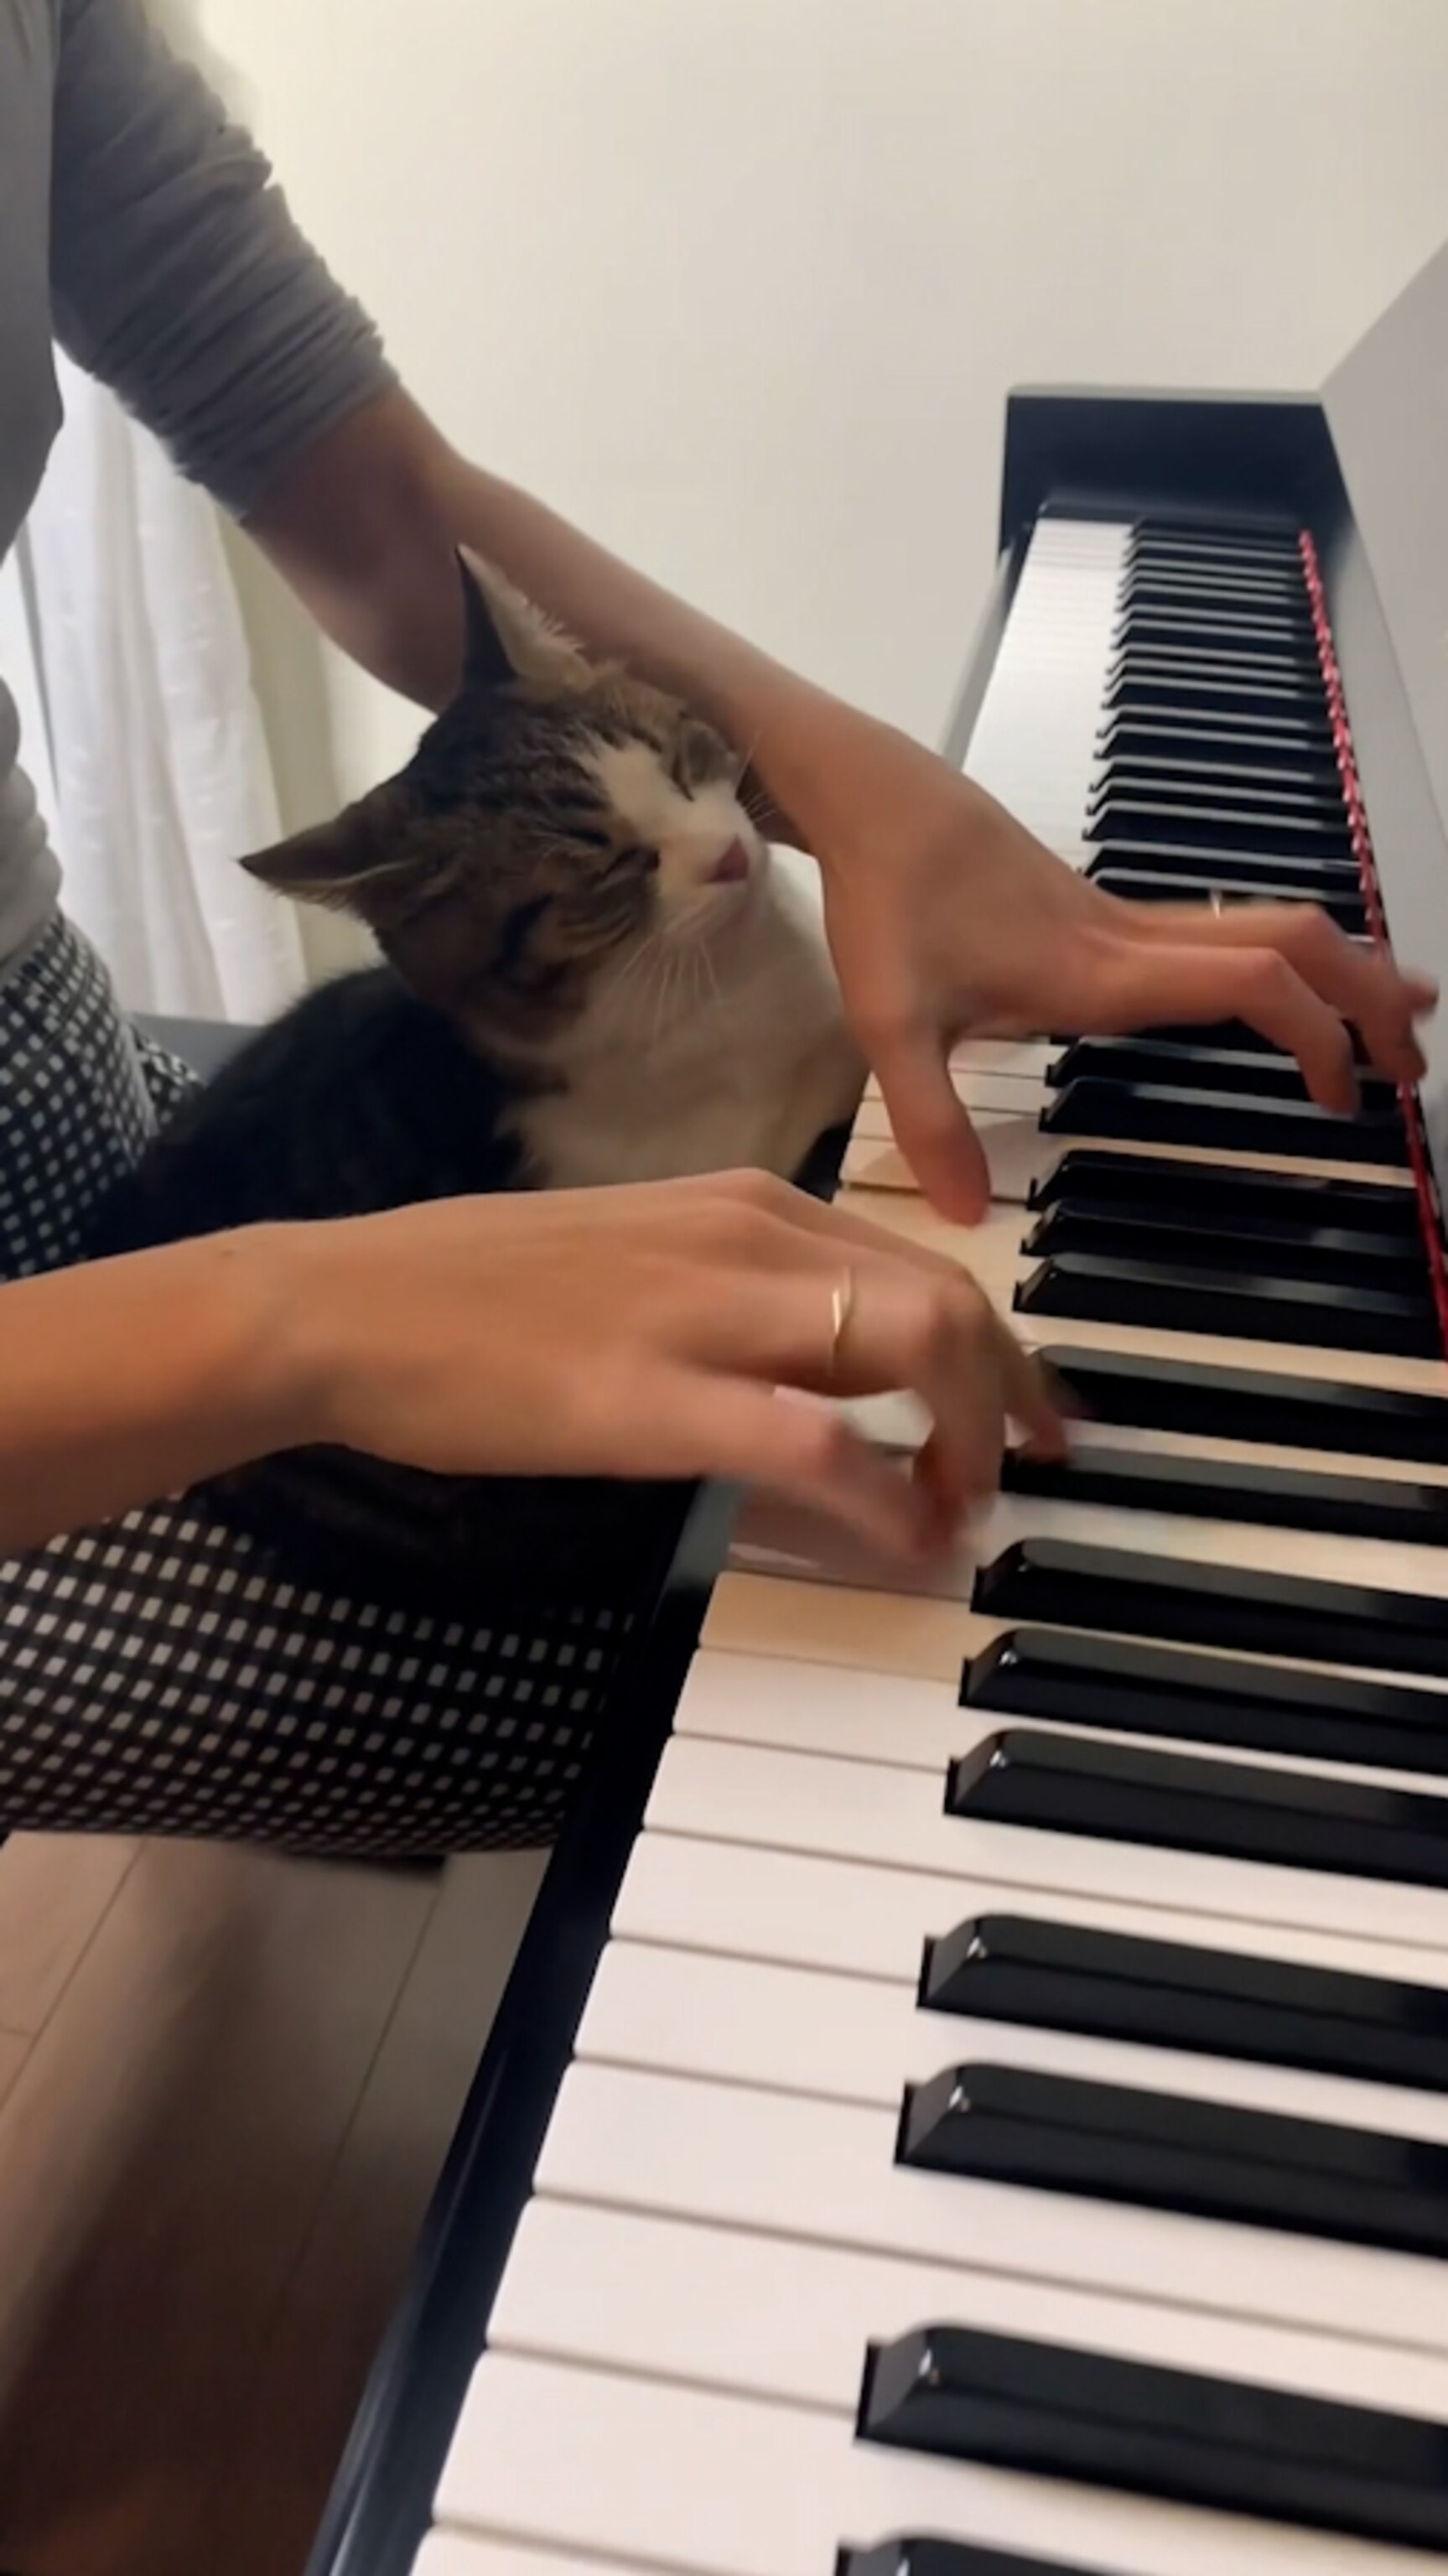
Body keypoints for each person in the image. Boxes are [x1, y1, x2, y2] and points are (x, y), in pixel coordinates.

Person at [0, 0, 1430, 1852]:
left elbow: (368, 493)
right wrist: (293, 1315)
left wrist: (841, 778)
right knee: (927, 1625)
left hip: (47, 1059)